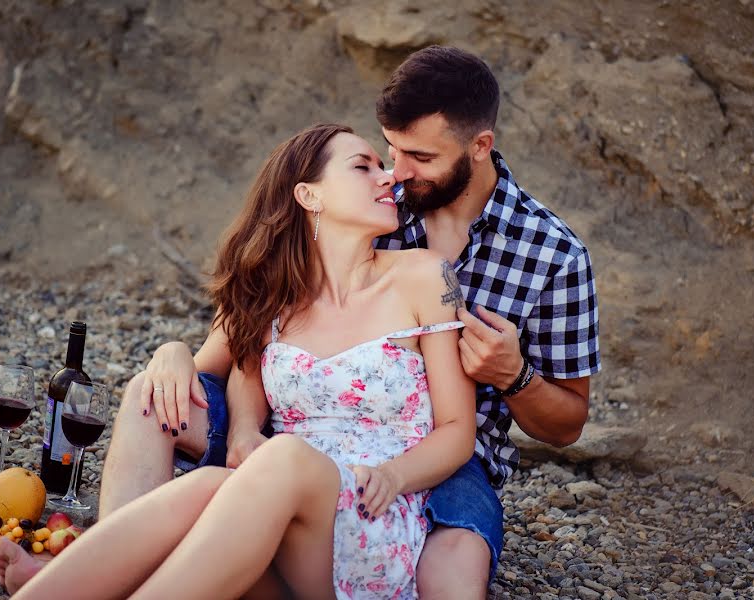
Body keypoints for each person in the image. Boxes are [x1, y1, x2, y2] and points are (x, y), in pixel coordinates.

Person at [98, 46, 601, 598]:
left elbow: (567, 423)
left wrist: (515, 375)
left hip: (441, 455)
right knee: (153, 397)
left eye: (420, 157)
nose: (398, 173)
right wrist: (176, 355)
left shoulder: (553, 254)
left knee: (450, 577)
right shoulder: (368, 203)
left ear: (480, 146)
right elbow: (245, 328)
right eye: (389, 150)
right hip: (295, 417)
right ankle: (108, 561)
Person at [0, 123, 477, 598]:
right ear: (310, 196)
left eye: (382, 165)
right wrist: (232, 416)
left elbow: (457, 428)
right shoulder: (275, 291)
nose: (387, 176)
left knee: (279, 457)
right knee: (209, 480)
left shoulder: (427, 275)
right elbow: (237, 368)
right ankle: (70, 585)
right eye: (363, 166)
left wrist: (394, 476)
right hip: (274, 507)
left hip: (369, 519)